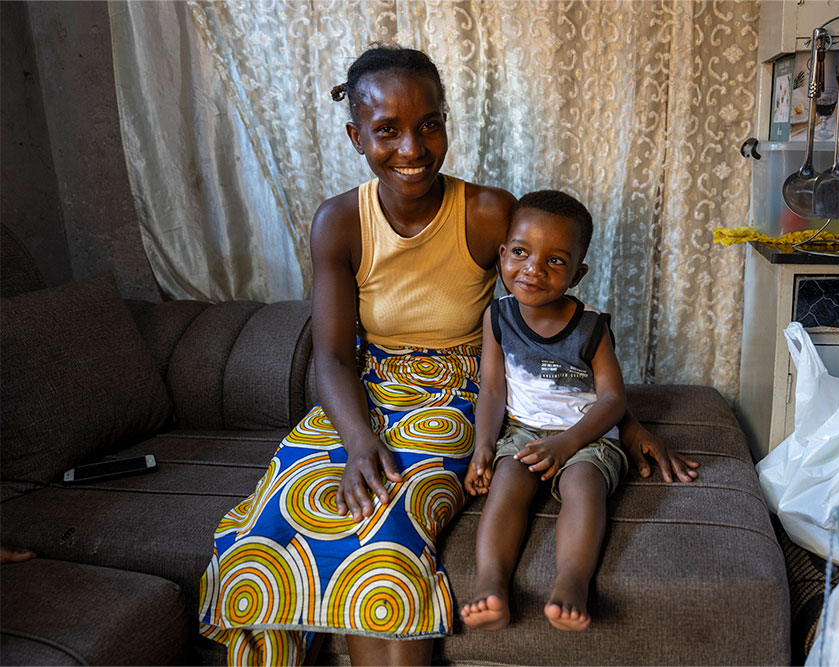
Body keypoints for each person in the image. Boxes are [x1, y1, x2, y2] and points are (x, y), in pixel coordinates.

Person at [197, 45, 697, 667]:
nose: (412, 148)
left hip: (459, 392)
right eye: (387, 131)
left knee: (384, 533)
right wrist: (356, 443)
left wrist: (622, 418)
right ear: (357, 137)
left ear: (445, 122)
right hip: (362, 395)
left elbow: (548, 318)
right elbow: (330, 356)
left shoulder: (487, 214)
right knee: (266, 536)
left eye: (429, 124)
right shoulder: (339, 222)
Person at [460, 191, 626, 633]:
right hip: (522, 432)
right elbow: (492, 389)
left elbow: (613, 400)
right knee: (508, 482)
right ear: (502, 255)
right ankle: (491, 582)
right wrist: (483, 448)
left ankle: (572, 582)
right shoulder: (497, 318)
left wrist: (568, 442)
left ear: (577, 274)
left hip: (584, 436)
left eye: (555, 261)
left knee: (584, 486)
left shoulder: (591, 327)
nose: (532, 269)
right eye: (520, 252)